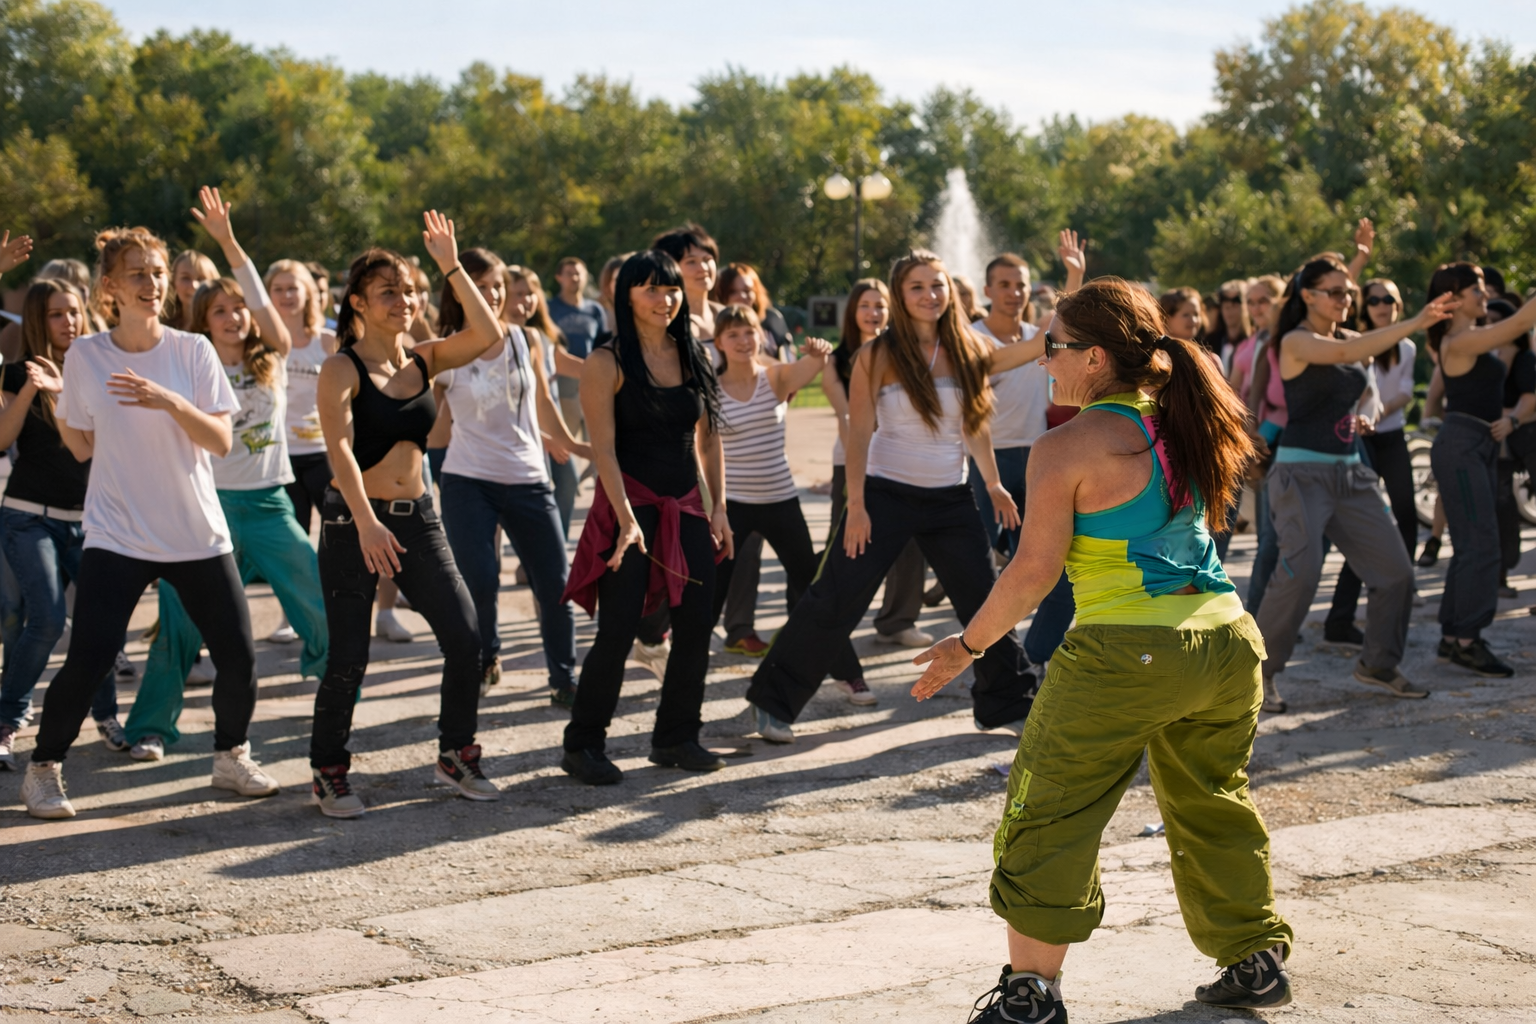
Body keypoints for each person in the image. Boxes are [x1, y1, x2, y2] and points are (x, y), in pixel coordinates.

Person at [910, 277, 1294, 1023]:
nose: (1043, 360)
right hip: (1226, 644)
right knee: (1213, 802)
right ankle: (1253, 959)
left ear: (1092, 359)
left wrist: (968, 646)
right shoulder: (1190, 417)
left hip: (1126, 653)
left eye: (1053, 347)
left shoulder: (1065, 445)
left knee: (1049, 810)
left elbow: (1032, 572)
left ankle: (1030, 997)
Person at [18, 225, 276, 820]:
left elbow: (218, 440)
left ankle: (230, 756)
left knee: (237, 653)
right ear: (108, 286)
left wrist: (170, 401)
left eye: (158, 272)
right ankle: (43, 771)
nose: (152, 283)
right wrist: (59, 397)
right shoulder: (86, 354)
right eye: (137, 273)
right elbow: (82, 448)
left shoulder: (193, 350)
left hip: (195, 531)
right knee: (89, 657)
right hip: (118, 532)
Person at [745, 250, 1037, 744]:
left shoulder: (970, 348)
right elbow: (859, 434)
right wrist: (855, 506)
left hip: (949, 499)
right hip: (884, 496)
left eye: (938, 285)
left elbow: (975, 425)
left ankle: (1006, 705)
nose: (930, 295)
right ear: (901, 296)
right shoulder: (876, 354)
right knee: (835, 599)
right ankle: (772, 703)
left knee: (986, 601)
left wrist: (992, 483)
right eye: (917, 287)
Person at [308, 213, 504, 818]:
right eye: (389, 291)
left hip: (418, 516)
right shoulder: (340, 368)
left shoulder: (424, 361)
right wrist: (367, 523)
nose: (404, 300)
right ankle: (329, 770)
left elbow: (489, 334)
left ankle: (456, 753)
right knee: (349, 657)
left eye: (411, 290)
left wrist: (450, 265)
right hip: (353, 522)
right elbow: (338, 448)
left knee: (466, 638)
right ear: (359, 304)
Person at [125, 187, 329, 762]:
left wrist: (230, 245)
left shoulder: (276, 356)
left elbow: (268, 310)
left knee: (319, 603)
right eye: (221, 309)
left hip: (268, 504)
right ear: (203, 321)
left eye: (240, 307)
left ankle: (335, 699)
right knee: (177, 627)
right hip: (202, 510)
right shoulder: (188, 361)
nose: (235, 316)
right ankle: (151, 729)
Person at [1253, 257, 1457, 714]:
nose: (1348, 300)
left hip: (1351, 473)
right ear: (1307, 296)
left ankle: (1379, 664)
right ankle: (1259, 674)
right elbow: (1347, 356)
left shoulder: (1350, 337)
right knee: (1300, 574)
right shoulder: (1295, 341)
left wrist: (1371, 408)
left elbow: (1366, 382)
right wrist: (1416, 321)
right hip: (1300, 474)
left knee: (1396, 574)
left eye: (1350, 293)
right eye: (1337, 293)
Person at [560, 250, 733, 785]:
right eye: (652, 289)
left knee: (696, 625)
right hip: (627, 509)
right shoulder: (606, 362)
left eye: (672, 289)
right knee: (617, 629)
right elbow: (604, 450)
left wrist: (718, 506)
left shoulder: (693, 352)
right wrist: (627, 518)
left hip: (686, 508)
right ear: (627, 295)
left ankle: (677, 737)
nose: (666, 299)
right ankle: (583, 743)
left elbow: (707, 440)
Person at [433, 247, 587, 706]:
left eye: (497, 285)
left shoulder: (527, 340)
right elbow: (436, 426)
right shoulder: (446, 349)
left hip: (526, 476)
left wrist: (574, 445)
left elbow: (542, 402)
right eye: (479, 287)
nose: (493, 294)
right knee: (480, 579)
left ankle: (563, 678)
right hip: (467, 480)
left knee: (555, 582)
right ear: (460, 295)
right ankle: (487, 657)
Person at [711, 305, 870, 702]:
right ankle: (682, 676)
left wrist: (817, 351)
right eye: (733, 335)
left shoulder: (775, 378)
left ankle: (849, 674)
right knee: (707, 595)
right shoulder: (708, 388)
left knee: (815, 588)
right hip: (732, 506)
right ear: (718, 343)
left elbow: (814, 365)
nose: (743, 341)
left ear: (761, 337)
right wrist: (712, 505)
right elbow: (702, 448)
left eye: (750, 332)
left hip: (781, 500)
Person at [0, 280, 125, 770]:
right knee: (49, 619)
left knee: (103, 623)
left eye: (74, 311)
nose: (69, 322)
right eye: (56, 314)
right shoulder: (13, 374)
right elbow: (2, 438)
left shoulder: (100, 370)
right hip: (28, 517)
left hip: (92, 520)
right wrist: (33, 385)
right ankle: (8, 720)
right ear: (37, 319)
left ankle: (107, 716)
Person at [969, 238, 1082, 669]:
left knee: (1056, 571)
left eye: (1020, 284)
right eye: (1003, 284)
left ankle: (1033, 658)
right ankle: (992, 662)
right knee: (982, 573)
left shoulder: (1040, 335)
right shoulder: (972, 338)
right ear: (987, 290)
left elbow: (1057, 324)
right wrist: (991, 479)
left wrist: (1073, 273)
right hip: (987, 466)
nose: (1013, 292)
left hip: (1036, 460)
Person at [1427, 262, 1536, 676]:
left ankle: (1454, 635)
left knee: (1472, 544)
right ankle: (1468, 641)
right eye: (1475, 289)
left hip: (1476, 444)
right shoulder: (1460, 341)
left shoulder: (1468, 339)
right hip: (1463, 444)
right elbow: (1524, 319)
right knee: (1482, 544)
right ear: (1453, 300)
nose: (1484, 294)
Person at [822, 280, 931, 649]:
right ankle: (829, 619)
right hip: (854, 463)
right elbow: (849, 417)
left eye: (881, 306)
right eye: (865, 306)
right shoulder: (837, 360)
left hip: (901, 463)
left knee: (910, 546)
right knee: (847, 545)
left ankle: (897, 621)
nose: (874, 313)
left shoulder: (909, 354)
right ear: (853, 313)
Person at [1321, 278, 1422, 638]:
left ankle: (1401, 588)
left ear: (1398, 306)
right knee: (1361, 528)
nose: (1382, 305)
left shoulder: (1407, 347)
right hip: (1357, 441)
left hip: (1389, 436)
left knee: (1407, 515)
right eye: (1375, 299)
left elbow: (1405, 393)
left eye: (1389, 300)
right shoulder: (1354, 343)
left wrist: (1376, 415)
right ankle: (1340, 619)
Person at [506, 265, 584, 537]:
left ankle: (554, 549)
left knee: (566, 483)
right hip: (523, 427)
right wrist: (544, 438)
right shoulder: (499, 337)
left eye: (531, 293)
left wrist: (607, 374)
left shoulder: (540, 332)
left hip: (550, 418)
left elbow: (561, 363)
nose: (526, 300)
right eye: (518, 293)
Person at [265, 259, 337, 536]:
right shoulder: (260, 343)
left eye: (292, 288)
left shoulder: (328, 341)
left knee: (338, 532)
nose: (285, 296)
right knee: (294, 538)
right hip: (280, 455)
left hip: (322, 452)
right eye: (278, 289)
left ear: (307, 291)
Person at [547, 256, 605, 439]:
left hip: (591, 379)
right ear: (559, 277)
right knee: (567, 439)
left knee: (596, 441)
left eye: (579, 274)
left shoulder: (595, 310)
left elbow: (603, 345)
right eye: (569, 274)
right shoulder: (549, 308)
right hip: (561, 380)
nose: (575, 278)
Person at [714, 262, 792, 358]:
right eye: (732, 292)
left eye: (747, 291)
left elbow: (787, 359)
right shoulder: (714, 325)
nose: (741, 296)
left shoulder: (772, 319)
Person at [164, 249, 219, 331]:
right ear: (173, 283)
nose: (194, 285)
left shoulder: (220, 326)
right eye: (185, 278)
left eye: (201, 279)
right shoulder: (164, 329)